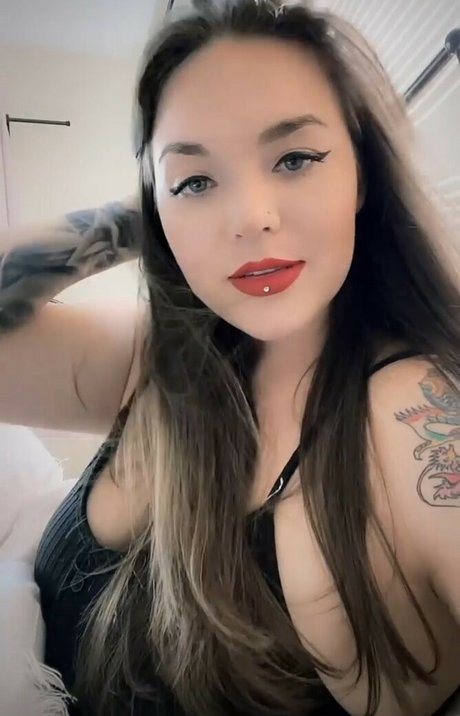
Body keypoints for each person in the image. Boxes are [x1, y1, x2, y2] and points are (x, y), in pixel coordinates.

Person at [0, 0, 459, 714]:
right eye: (196, 181)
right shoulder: (154, 359)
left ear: (362, 176)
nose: (250, 216)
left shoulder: (412, 419)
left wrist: (192, 185)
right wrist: (155, 213)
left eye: (295, 158)